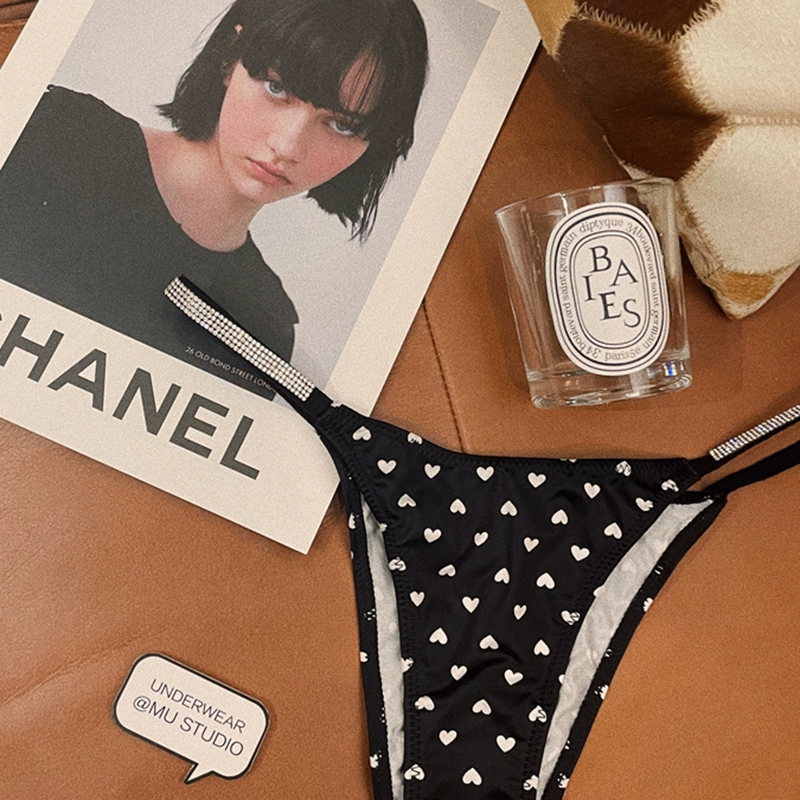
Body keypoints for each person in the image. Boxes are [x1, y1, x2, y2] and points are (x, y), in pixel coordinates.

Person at [0, 0, 428, 395]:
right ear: (229, 57)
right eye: (276, 88)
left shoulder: (264, 319)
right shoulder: (54, 132)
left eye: (341, 125)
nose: (287, 145)